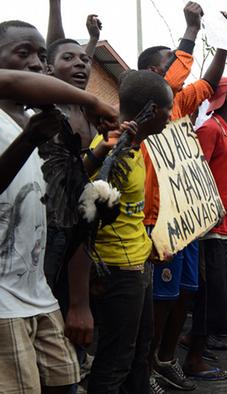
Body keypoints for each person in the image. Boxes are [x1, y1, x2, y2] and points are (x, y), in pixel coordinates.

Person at [0, 21, 116, 392]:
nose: (36, 64)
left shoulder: (45, 125)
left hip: (37, 293)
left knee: (67, 381)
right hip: (3, 304)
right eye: (24, 54)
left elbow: (68, 209)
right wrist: (94, 100)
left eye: (40, 56)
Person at [136, 3, 227, 390]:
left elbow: (208, 84)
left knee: (185, 292)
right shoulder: (146, 104)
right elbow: (181, 75)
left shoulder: (178, 105)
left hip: (186, 220)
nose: (181, 69)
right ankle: (144, 369)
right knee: (160, 296)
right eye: (171, 64)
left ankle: (164, 358)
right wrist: (191, 31)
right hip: (159, 219)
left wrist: (224, 43)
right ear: (151, 74)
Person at [86, 69, 173, 394]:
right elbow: (86, 217)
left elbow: (127, 213)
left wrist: (147, 241)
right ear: (151, 109)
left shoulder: (136, 149)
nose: (170, 116)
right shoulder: (109, 152)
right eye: (168, 108)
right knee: (115, 362)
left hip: (138, 268)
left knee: (139, 354)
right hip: (118, 273)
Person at [181, 77, 227, 382]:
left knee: (217, 289)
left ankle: (199, 344)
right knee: (209, 293)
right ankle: (193, 357)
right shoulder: (209, 130)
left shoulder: (224, 131)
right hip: (208, 227)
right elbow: (196, 175)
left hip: (222, 224)